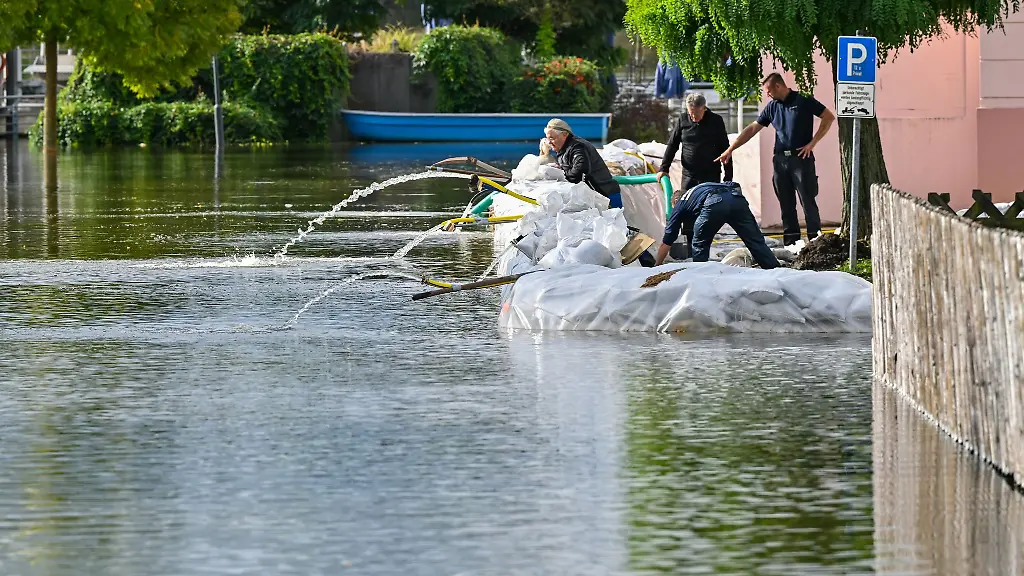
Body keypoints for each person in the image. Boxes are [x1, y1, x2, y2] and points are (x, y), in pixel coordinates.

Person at [715, 73, 836, 247]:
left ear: (778, 86)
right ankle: (792, 243)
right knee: (786, 206)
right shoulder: (772, 107)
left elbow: (828, 117)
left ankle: (815, 242)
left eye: (769, 91)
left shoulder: (803, 99)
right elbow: (752, 129)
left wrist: (812, 143)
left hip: (801, 159)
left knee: (808, 202)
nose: (768, 95)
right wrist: (730, 150)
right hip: (780, 161)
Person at [543, 118, 656, 267]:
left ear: (564, 135)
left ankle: (646, 260)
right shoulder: (565, 149)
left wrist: (562, 173)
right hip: (597, 196)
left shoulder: (577, 147)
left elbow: (580, 170)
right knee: (612, 230)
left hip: (606, 193)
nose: (549, 142)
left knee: (619, 229)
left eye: (552, 138)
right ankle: (635, 261)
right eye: (547, 138)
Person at [654, 92, 733, 257]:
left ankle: (703, 249)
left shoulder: (716, 121)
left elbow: (725, 149)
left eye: (696, 113)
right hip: (689, 175)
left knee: (707, 212)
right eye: (691, 113)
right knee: (688, 213)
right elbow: (672, 145)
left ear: (704, 108)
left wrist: (728, 177)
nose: (693, 117)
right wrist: (664, 168)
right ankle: (692, 251)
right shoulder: (683, 120)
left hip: (710, 175)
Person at [654, 181, 780, 269]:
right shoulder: (701, 188)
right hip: (736, 198)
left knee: (699, 244)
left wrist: (657, 265)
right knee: (755, 241)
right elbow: (734, 185)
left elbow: (668, 239)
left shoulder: (680, 203)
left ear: (675, 201)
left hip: (713, 202)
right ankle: (775, 270)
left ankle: (700, 275)